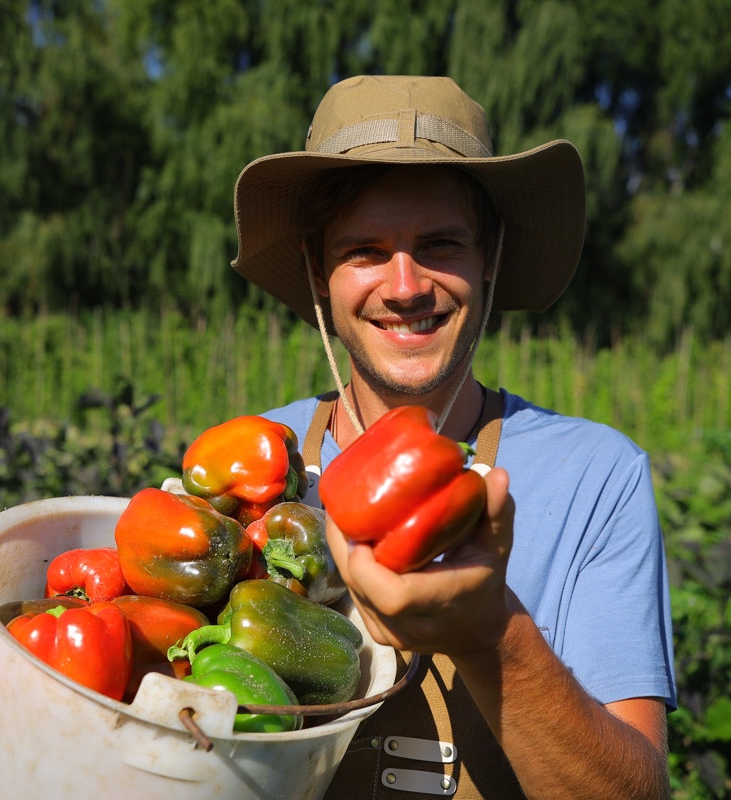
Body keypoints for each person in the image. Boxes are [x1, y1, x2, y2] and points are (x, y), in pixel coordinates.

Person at [230, 75, 676, 799]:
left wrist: (491, 633)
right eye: (366, 250)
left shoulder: (596, 476)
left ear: (490, 255)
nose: (405, 285)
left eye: (440, 244)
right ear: (318, 269)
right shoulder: (252, 460)